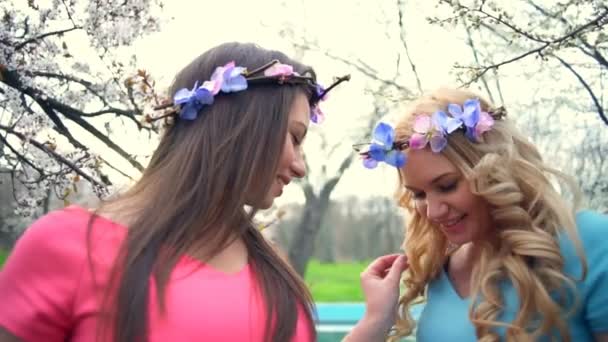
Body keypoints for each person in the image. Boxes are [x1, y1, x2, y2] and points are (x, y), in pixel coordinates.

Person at [0, 41, 389, 342]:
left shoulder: (272, 273)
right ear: (241, 124)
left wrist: (373, 324)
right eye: (294, 137)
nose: (301, 167)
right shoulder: (66, 247)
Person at [347, 87, 608, 341]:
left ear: (495, 170)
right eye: (419, 194)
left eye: (447, 186)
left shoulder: (589, 242)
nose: (434, 212)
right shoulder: (441, 267)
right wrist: (376, 320)